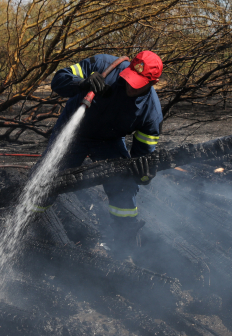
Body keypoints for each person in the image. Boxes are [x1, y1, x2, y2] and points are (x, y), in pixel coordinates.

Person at [35, 51, 164, 249]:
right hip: (73, 131)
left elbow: (142, 157)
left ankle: (125, 246)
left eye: (137, 84)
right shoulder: (103, 64)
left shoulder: (151, 113)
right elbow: (58, 80)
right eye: (130, 79)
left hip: (108, 140)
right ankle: (28, 222)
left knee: (124, 186)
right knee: (47, 179)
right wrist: (82, 83)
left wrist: (143, 174)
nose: (130, 86)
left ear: (152, 83)